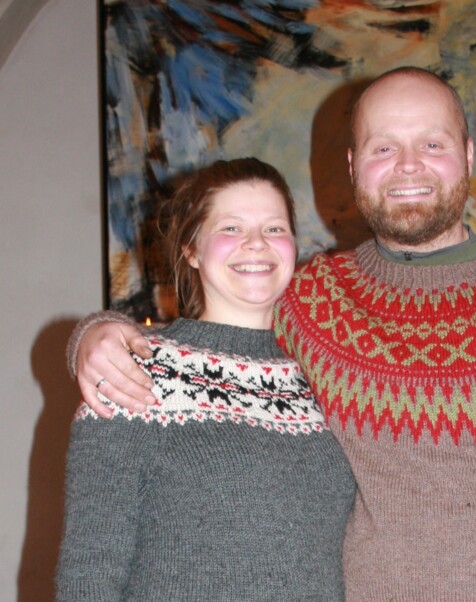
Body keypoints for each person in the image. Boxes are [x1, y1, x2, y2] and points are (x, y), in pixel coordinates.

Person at [68, 67, 476, 601]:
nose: (408, 165)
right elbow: (222, 323)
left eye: (432, 143)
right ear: (354, 166)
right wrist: (96, 336)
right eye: (384, 147)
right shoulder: (315, 296)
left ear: (468, 155)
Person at [55, 158, 356, 601]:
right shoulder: (134, 371)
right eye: (231, 228)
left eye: (274, 228)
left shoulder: (323, 377)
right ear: (191, 250)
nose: (256, 243)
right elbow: (89, 573)